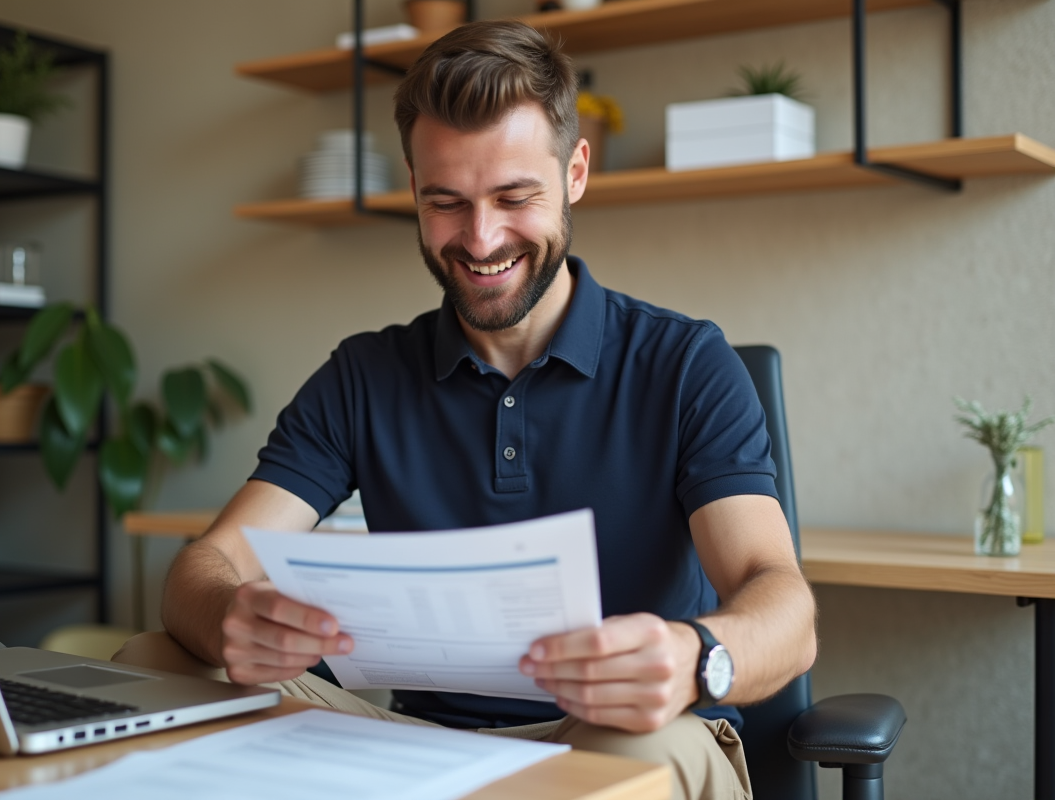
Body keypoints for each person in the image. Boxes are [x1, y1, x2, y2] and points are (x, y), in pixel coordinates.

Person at [125, 19, 816, 800]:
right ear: (415, 191)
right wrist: (230, 617)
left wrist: (697, 657)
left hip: (614, 736)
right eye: (446, 202)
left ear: (575, 172)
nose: (480, 239)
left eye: (514, 197)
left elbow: (782, 603)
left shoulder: (687, 363)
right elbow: (201, 568)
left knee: (636, 751)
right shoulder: (364, 373)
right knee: (154, 665)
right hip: (413, 745)